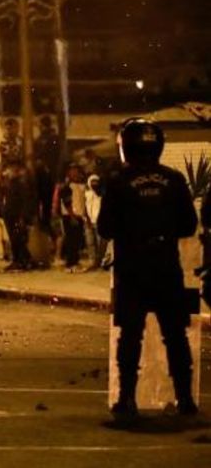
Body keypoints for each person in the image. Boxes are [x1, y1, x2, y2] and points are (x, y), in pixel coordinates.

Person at [96, 118, 199, 422]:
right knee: (175, 335)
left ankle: (126, 400)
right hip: (166, 264)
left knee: (130, 336)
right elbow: (188, 225)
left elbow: (105, 228)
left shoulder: (118, 181)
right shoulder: (175, 179)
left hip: (132, 267)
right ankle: (185, 400)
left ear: (126, 146)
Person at [0, 163, 35, 270]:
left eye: (10, 170)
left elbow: (24, 201)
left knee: (17, 239)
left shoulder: (19, 184)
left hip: (16, 216)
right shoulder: (8, 185)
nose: (7, 173)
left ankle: (20, 260)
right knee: (16, 239)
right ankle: (24, 259)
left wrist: (22, 217)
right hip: (10, 216)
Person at [54, 164, 87, 272]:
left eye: (77, 171)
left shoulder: (81, 185)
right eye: (73, 171)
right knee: (71, 241)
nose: (75, 173)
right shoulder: (66, 187)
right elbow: (66, 203)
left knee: (77, 241)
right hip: (70, 216)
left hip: (79, 215)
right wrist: (72, 216)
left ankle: (75, 262)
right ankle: (70, 264)